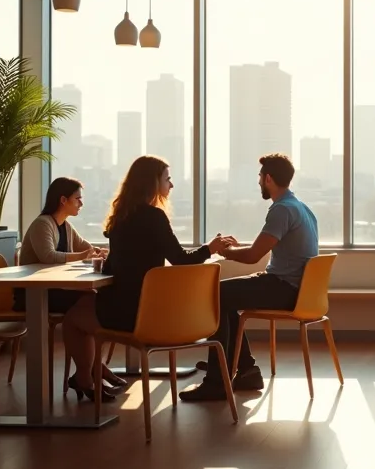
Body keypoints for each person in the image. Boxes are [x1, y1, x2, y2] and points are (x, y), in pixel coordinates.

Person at [60, 156, 235, 401]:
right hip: (152, 313)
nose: (171, 185)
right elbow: (180, 259)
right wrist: (210, 248)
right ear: (152, 182)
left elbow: (113, 267)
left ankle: (85, 378)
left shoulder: (120, 218)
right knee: (79, 313)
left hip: (129, 309)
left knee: (72, 319)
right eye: (167, 179)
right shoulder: (155, 217)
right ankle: (89, 377)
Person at [181, 153, 319, 401]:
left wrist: (225, 251)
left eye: (259, 177)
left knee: (217, 293)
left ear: (268, 178)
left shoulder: (281, 209)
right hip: (299, 290)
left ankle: (217, 380)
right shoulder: (302, 208)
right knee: (227, 297)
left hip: (284, 289)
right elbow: (263, 249)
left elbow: (254, 255)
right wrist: (235, 250)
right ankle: (245, 370)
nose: (258, 183)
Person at [15, 178, 123, 391]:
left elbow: (87, 247)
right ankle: (92, 370)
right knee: (90, 302)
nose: (81, 204)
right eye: (78, 199)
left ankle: (90, 370)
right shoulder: (42, 224)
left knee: (91, 301)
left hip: (55, 290)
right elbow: (48, 256)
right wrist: (84, 255)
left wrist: (101, 252)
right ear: (63, 200)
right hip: (35, 294)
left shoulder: (65, 226)